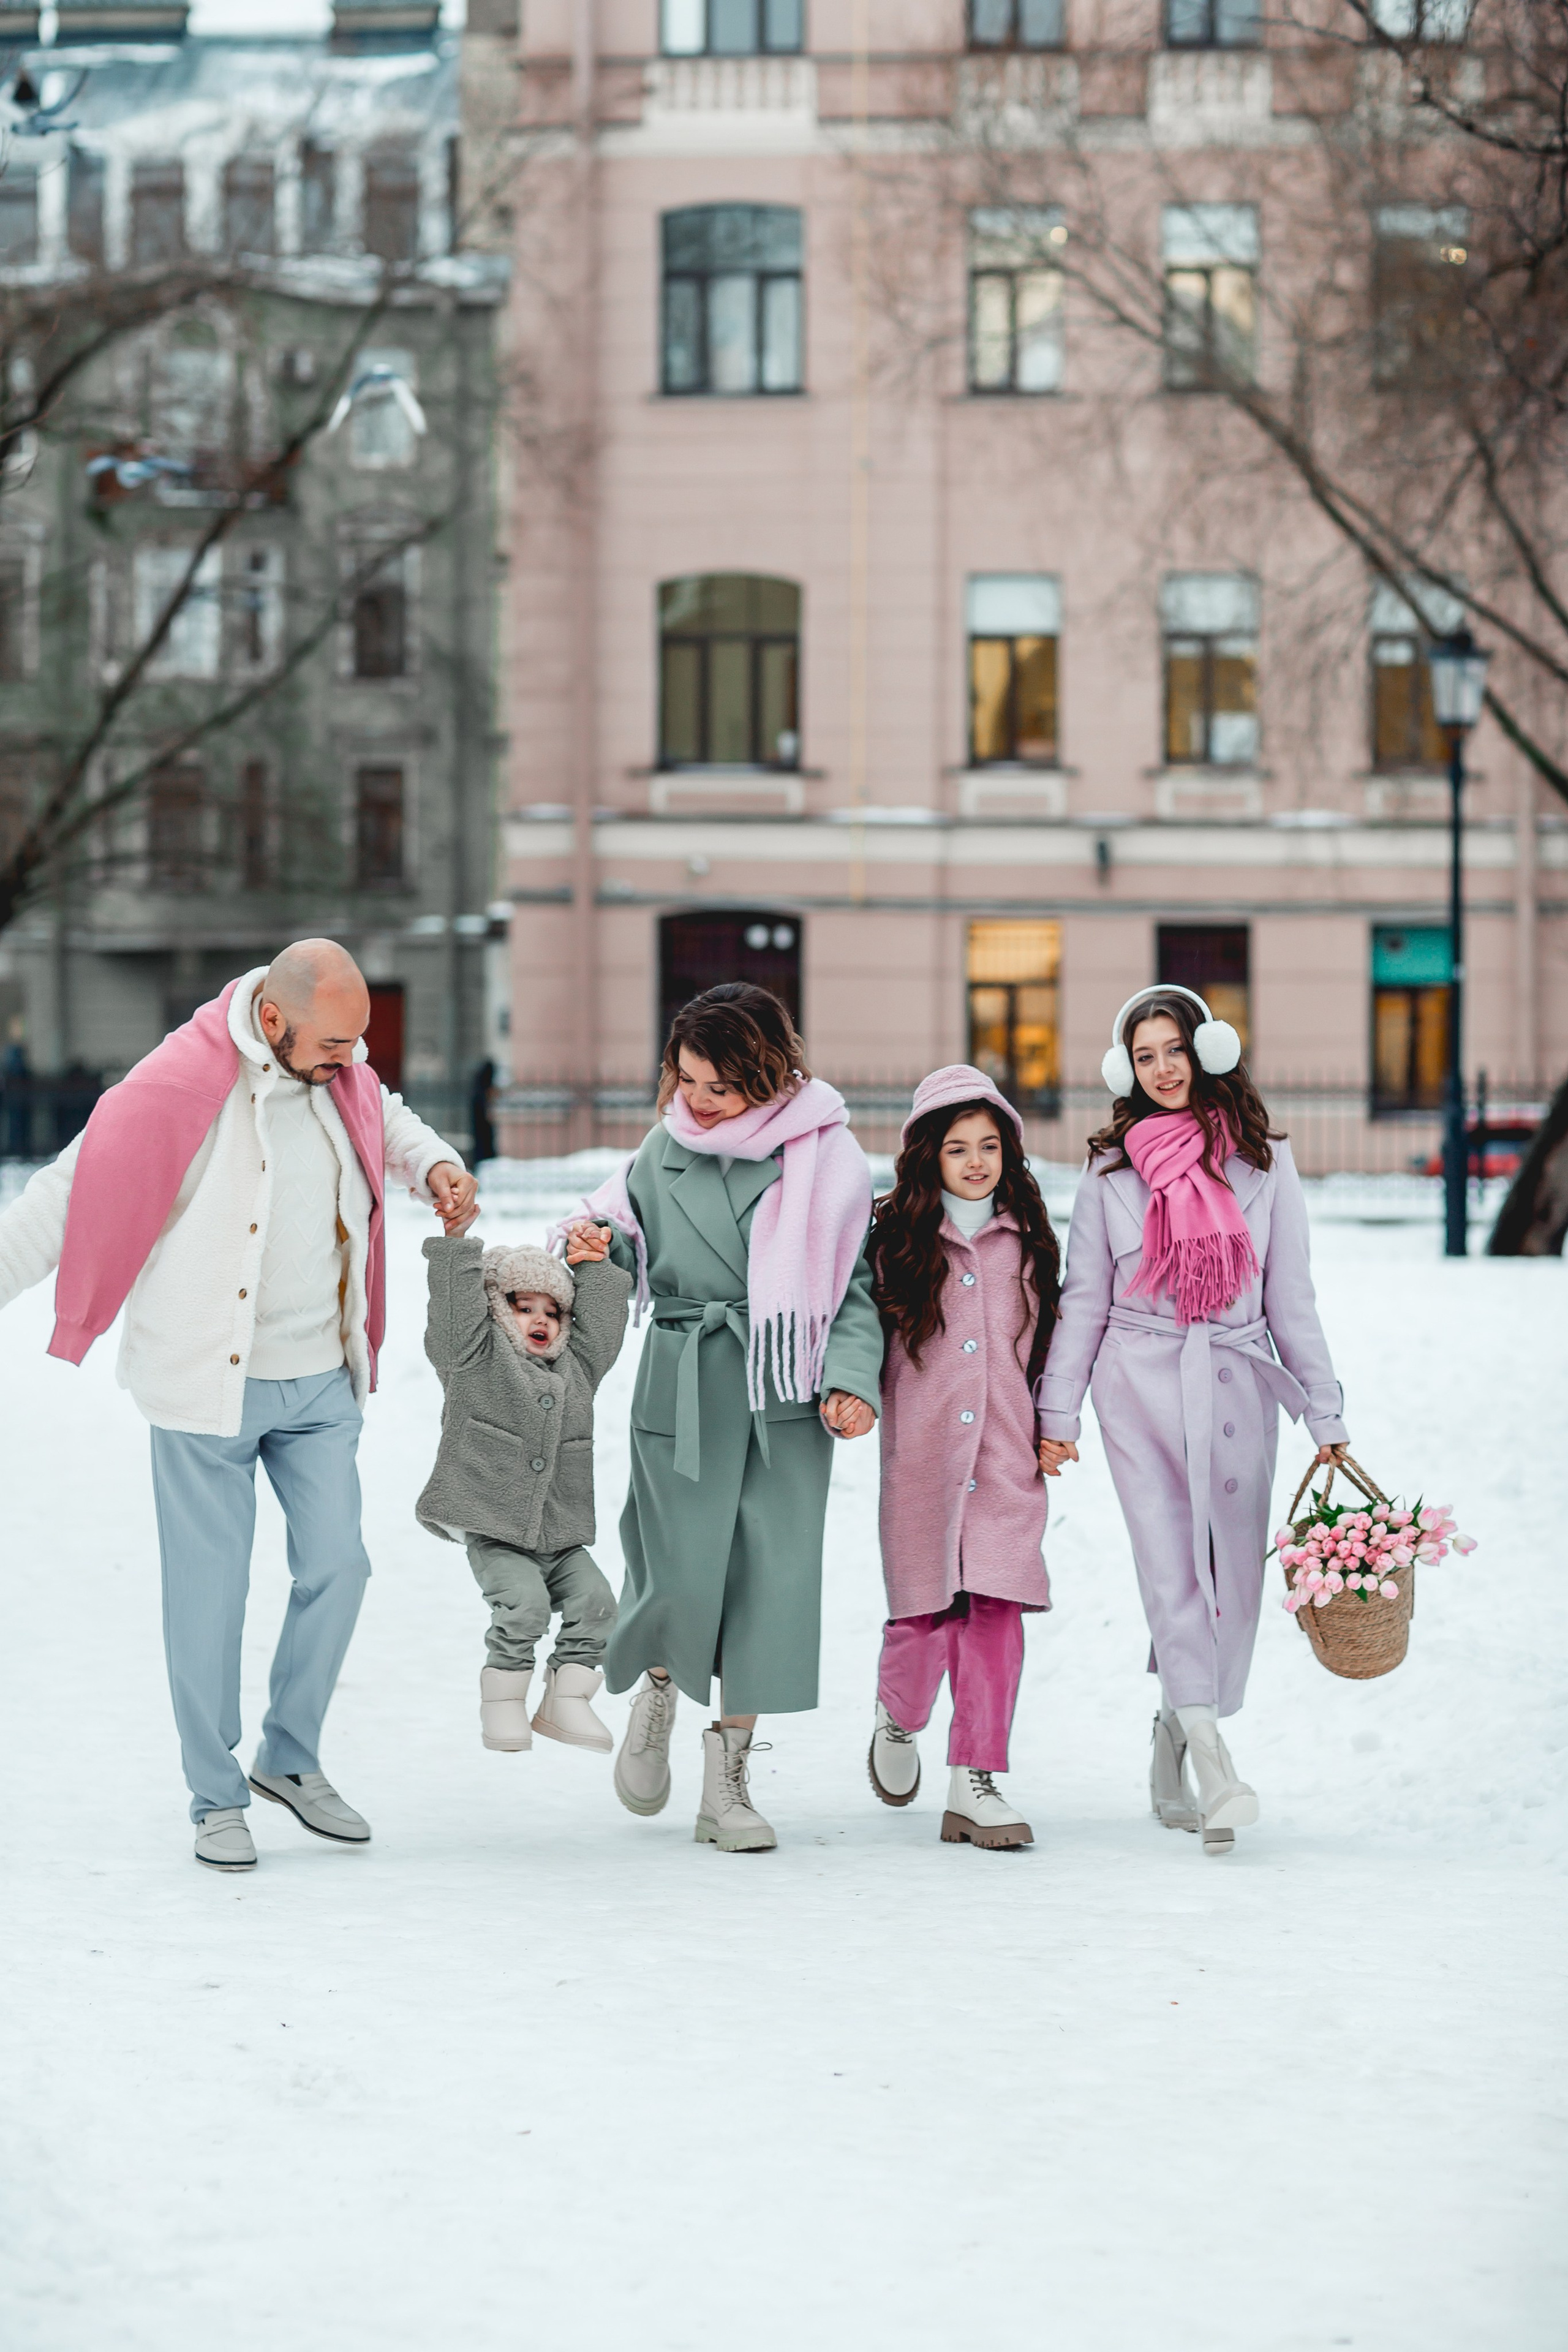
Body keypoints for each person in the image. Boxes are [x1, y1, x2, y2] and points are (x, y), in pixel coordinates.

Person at [0, 941, 477, 1871]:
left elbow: (392, 1117)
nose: (353, 1062)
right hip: (204, 1385)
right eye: (336, 1045)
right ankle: (214, 1798)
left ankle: (289, 1761)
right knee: (208, 1600)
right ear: (272, 1021)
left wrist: (438, 1166)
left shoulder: (344, 1075)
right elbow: (61, 1198)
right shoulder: (172, 1089)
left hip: (321, 1377)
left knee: (340, 1565)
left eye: (357, 1046)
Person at [557, 982, 883, 1854]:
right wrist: (602, 1248)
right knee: (676, 1568)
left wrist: (853, 1380)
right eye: (687, 1079)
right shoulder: (660, 1152)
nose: (696, 1101)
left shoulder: (826, 1158)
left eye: (720, 1088)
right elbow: (627, 1239)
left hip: (785, 1392)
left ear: (771, 1076)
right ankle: (659, 1691)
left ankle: (729, 1780)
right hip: (685, 1380)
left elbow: (852, 1287)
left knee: (769, 1587)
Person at [1035, 986, 1349, 1856]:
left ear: (1208, 1051)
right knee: (1172, 1568)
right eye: (1145, 1057)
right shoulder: (1108, 1177)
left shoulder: (1265, 1162)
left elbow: (1293, 1297)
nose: (1163, 1069)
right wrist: (1056, 1411)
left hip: (1238, 1385)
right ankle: (1216, 1763)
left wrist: (1324, 1408)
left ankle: (1176, 1729)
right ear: (1126, 1071)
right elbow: (1082, 1302)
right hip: (1138, 1385)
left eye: (1174, 1049)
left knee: (1232, 1587)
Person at [865, 1068, 1061, 1850]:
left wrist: (1054, 1419)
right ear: (929, 1157)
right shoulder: (896, 1243)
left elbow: (1050, 1342)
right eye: (957, 1148)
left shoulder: (1031, 1238)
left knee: (997, 1614)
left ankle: (974, 1779)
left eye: (989, 1146)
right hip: (922, 1458)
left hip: (1008, 1454)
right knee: (924, 1617)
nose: (976, 1161)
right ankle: (898, 1714)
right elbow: (860, 1336)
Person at [417, 1231, 631, 1755]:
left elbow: (602, 1329)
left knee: (600, 1604)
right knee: (525, 1607)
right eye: (523, 1307)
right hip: (495, 1528)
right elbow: (452, 1311)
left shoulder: (577, 1369)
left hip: (560, 1534)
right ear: (495, 1307)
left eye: (553, 1312)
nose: (540, 1320)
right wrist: (456, 1247)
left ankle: (567, 1700)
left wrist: (593, 1266)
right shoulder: (473, 1358)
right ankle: (504, 1703)